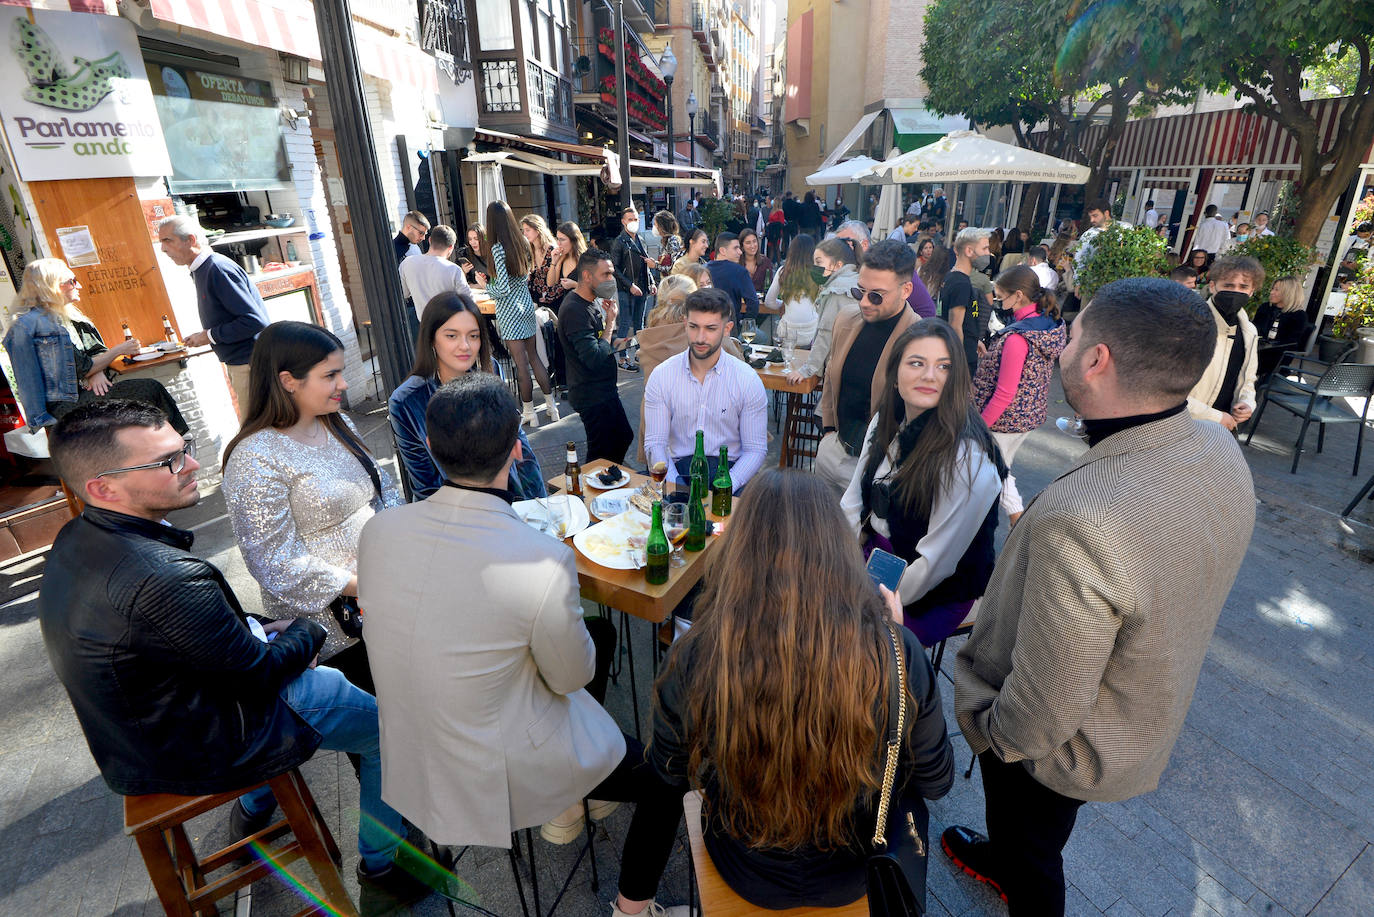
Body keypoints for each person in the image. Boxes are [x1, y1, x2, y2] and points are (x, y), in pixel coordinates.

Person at [38, 400, 433, 907]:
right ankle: (381, 867)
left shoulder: (78, 536)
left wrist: (269, 633)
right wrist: (308, 632)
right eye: (168, 462)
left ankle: (252, 807)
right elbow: (258, 675)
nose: (193, 464)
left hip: (138, 739)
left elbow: (202, 643)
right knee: (384, 728)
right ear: (102, 487)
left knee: (297, 663)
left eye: (183, 449)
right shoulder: (162, 576)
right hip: (198, 743)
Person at [946, 277, 1256, 915]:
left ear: (1097, 359)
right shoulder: (1219, 447)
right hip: (1137, 718)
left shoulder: (1081, 519)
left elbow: (1041, 710)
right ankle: (1004, 858)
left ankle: (1018, 876)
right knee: (1030, 840)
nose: (1060, 347)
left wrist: (989, 737)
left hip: (1060, 748)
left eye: (1073, 334)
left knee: (1036, 853)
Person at [359, 374, 689, 917]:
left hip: (412, 750)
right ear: (517, 447)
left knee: (598, 633)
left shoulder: (380, 532)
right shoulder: (540, 557)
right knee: (666, 776)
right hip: (495, 769)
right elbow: (572, 678)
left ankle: (582, 795)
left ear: (430, 448)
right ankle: (632, 908)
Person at [651, 468, 954, 909]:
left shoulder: (700, 651)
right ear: (839, 552)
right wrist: (894, 645)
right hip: (855, 869)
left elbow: (669, 766)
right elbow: (936, 779)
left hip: (744, 865)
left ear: (739, 552)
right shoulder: (896, 651)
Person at [222, 322, 400, 695]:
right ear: (288, 380)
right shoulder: (255, 457)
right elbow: (274, 562)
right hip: (339, 629)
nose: (344, 383)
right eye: (330, 375)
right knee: (380, 735)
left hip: (388, 601)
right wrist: (363, 585)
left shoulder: (338, 423)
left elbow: (383, 490)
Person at [841, 319, 1002, 645]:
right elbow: (853, 502)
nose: (929, 375)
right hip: (873, 557)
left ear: (956, 379)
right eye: (917, 363)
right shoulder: (885, 420)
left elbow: (933, 566)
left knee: (848, 642)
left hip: (929, 593)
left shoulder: (969, 459)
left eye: (944, 367)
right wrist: (839, 565)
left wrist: (863, 601)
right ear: (896, 374)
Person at [389, 292, 546, 500]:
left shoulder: (489, 369)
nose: (465, 346)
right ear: (431, 338)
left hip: (510, 501)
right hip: (454, 517)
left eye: (473, 336)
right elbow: (425, 486)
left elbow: (520, 447)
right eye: (451, 336)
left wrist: (538, 504)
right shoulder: (408, 400)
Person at [3, 259, 189, 436]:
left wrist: (96, 372)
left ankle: (169, 447)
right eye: (72, 281)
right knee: (149, 389)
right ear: (54, 286)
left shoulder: (69, 317)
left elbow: (94, 350)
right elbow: (78, 367)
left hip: (85, 394)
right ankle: (174, 446)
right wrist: (117, 351)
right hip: (66, 406)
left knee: (146, 397)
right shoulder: (35, 325)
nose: (79, 286)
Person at [816, 241, 919, 491]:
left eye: (876, 295)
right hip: (834, 449)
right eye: (859, 291)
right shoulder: (846, 319)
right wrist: (828, 429)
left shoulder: (920, 338)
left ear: (906, 290)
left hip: (881, 466)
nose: (864, 302)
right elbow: (830, 375)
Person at [643, 288, 767, 490]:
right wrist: (677, 488)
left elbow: (755, 450)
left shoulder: (747, 380)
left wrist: (727, 486)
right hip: (678, 469)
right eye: (694, 327)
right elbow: (655, 443)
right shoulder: (662, 375)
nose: (700, 338)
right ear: (685, 324)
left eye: (710, 328)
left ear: (727, 329)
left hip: (729, 471)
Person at [972, 265, 1067, 525]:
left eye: (1002, 297)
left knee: (994, 470)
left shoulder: (1017, 337)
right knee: (999, 470)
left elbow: (1004, 393)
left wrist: (979, 427)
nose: (1000, 303)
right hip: (1026, 416)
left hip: (1004, 420)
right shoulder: (1048, 324)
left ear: (1018, 295)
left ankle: (1019, 524)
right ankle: (1011, 521)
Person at [157, 215, 270, 416]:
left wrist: (208, 336)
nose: (163, 249)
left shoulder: (216, 268)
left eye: (167, 241)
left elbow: (254, 321)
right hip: (243, 363)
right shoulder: (204, 269)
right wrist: (205, 335)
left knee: (258, 432)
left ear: (191, 240)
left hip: (250, 364)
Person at [486, 200, 560, 425]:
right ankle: (552, 408)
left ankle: (530, 413)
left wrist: (487, 286)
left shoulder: (497, 249)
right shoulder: (522, 243)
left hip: (509, 311)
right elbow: (525, 277)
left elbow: (502, 288)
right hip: (527, 305)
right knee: (535, 358)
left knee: (521, 364)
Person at [558, 249, 636, 462]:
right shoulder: (575, 310)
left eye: (611, 273)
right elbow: (592, 357)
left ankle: (608, 480)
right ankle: (595, 488)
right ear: (586, 276)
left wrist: (614, 343)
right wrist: (611, 324)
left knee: (621, 437)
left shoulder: (589, 302)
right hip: (591, 393)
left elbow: (596, 344)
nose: (611, 280)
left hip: (602, 389)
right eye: (606, 274)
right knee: (601, 452)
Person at [1186, 255, 1262, 431]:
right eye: (1228, 285)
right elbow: (1165, 389)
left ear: (1252, 291)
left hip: (1223, 429)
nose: (1235, 292)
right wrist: (1215, 416)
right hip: (1185, 426)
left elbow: (1248, 380)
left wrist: (1247, 403)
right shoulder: (1190, 325)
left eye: (1243, 287)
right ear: (1212, 286)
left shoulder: (1249, 331)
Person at [786, 237, 861, 384]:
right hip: (857, 363)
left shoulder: (837, 290)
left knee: (828, 407)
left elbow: (825, 333)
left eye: (819, 262)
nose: (815, 267)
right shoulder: (857, 279)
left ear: (838, 265)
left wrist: (807, 369)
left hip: (842, 369)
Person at [941, 227, 991, 374]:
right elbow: (955, 326)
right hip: (962, 359)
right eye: (985, 248)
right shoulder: (961, 284)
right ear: (969, 251)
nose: (988, 253)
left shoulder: (954, 277)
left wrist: (975, 341)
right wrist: (958, 363)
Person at [398, 224, 472, 321]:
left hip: (424, 325)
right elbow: (469, 301)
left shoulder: (406, 263)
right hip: (449, 324)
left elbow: (403, 293)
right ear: (451, 248)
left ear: (430, 240)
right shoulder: (454, 269)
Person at [611, 207, 654, 368]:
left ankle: (639, 353)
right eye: (630, 219)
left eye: (636, 219)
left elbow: (646, 262)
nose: (634, 222)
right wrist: (629, 285)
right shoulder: (619, 242)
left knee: (639, 323)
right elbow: (614, 268)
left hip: (642, 286)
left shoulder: (640, 239)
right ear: (623, 222)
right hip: (626, 289)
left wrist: (652, 282)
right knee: (625, 323)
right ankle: (622, 357)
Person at [764, 233, 821, 347]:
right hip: (813, 333)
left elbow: (769, 302)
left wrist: (783, 304)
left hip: (787, 333)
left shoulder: (782, 271)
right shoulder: (819, 273)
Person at [1253, 276, 1310, 380]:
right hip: (1258, 350)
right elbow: (1254, 328)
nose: (1272, 292)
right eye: (1272, 289)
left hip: (1277, 357)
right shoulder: (1265, 308)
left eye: (1276, 290)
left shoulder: (1298, 316)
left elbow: (1290, 344)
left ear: (1288, 293)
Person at [706, 232, 761, 327]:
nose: (740, 252)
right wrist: (744, 324)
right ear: (722, 251)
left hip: (705, 326)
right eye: (736, 248)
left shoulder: (702, 269)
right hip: (731, 328)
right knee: (763, 338)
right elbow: (753, 304)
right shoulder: (740, 272)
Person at [522, 214, 561, 310]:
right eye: (523, 230)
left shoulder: (552, 250)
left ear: (538, 230)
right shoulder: (529, 251)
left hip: (553, 300)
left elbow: (558, 278)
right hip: (535, 301)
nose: (525, 234)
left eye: (528, 230)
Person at [549, 220, 588, 299]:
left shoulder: (586, 259)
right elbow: (551, 283)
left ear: (574, 241)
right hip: (567, 305)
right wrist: (554, 261)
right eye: (557, 239)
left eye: (562, 239)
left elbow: (595, 289)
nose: (558, 243)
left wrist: (574, 285)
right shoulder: (561, 258)